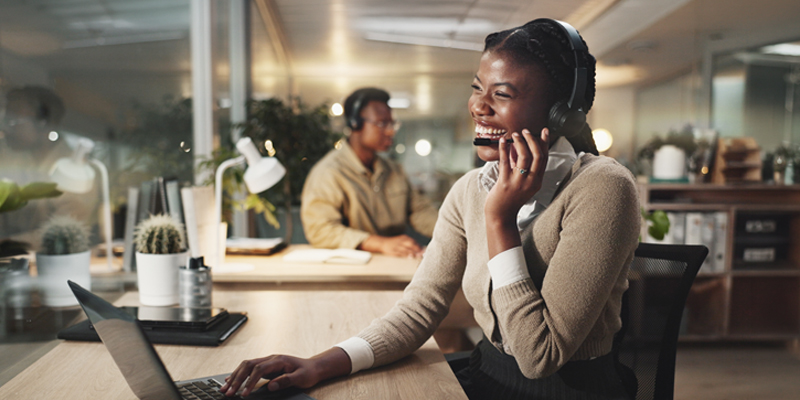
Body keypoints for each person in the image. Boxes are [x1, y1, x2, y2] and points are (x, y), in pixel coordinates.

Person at [221, 18, 640, 400]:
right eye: (477, 88)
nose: (478, 106)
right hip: (487, 377)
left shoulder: (603, 187)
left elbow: (538, 358)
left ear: (560, 114)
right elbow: (419, 308)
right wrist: (319, 364)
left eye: (503, 94)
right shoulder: (471, 189)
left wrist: (499, 221)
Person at [300, 87, 438, 258]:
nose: (390, 131)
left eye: (392, 124)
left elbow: (420, 212)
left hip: (394, 263)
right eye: (382, 123)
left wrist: (459, 231)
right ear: (355, 123)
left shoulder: (395, 170)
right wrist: (380, 244)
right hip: (352, 272)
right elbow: (320, 230)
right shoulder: (329, 173)